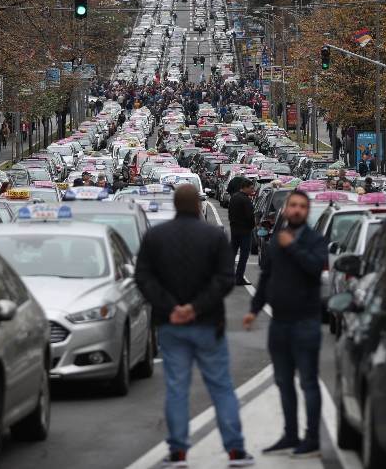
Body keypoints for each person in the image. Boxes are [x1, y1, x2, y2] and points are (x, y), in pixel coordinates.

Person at [134, 185, 253, 468]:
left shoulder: (155, 237)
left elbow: (144, 278)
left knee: (176, 388)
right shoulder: (214, 236)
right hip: (209, 323)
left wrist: (171, 307)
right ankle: (235, 450)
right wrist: (196, 307)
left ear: (175, 206)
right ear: (199, 206)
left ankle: (178, 453)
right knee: (221, 387)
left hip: (171, 325)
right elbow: (225, 278)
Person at [243, 189, 327, 458]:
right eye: (293, 206)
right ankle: (290, 435)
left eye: (303, 206)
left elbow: (315, 268)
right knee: (283, 381)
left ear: (307, 210)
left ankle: (312, 438)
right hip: (279, 323)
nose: (297, 210)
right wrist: (254, 309)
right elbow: (267, 275)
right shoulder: (278, 240)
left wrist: (294, 247)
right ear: (286, 210)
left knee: (308, 382)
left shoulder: (314, 240)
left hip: (305, 323)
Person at [228, 179, 256, 286]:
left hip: (234, 229)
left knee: (232, 253)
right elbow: (250, 216)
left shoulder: (234, 198)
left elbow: (230, 213)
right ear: (245, 187)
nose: (252, 190)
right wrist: (252, 226)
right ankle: (239, 277)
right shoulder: (246, 200)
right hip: (245, 231)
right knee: (244, 255)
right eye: (251, 188)